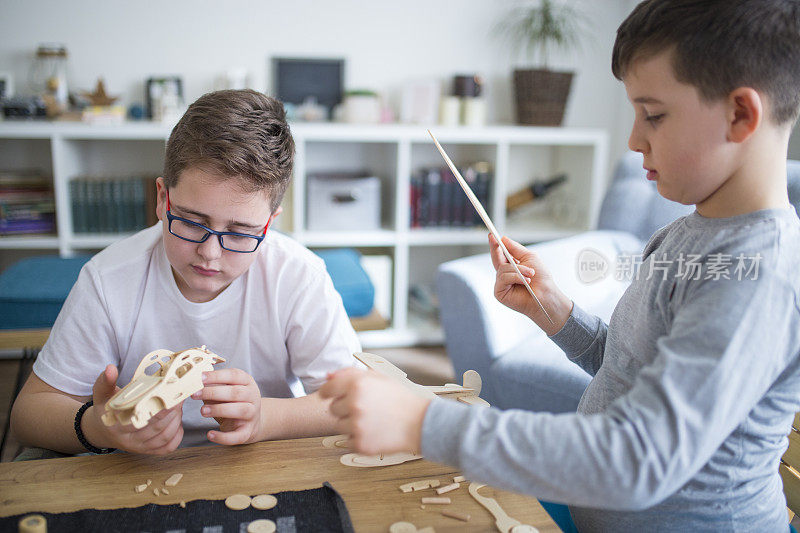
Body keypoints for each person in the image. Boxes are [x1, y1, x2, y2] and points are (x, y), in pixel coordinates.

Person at [320, 1, 800, 530]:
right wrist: (557, 314)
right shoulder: (693, 230)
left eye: (654, 114)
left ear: (740, 115)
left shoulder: (755, 276)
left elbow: (638, 459)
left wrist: (422, 421)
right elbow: (628, 371)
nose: (634, 139)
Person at [11, 89, 360, 456]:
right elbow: (29, 412)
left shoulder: (298, 276)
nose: (210, 253)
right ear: (163, 199)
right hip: (136, 470)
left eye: (240, 232)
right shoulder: (109, 279)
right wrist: (98, 427)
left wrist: (266, 419)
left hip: (261, 460)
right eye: (192, 223)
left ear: (269, 225)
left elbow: (356, 401)